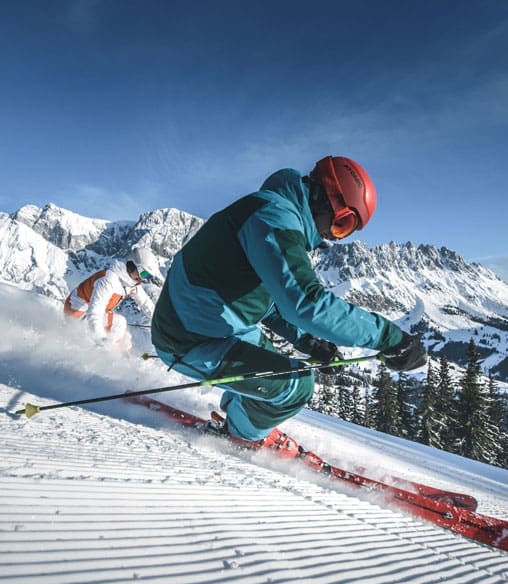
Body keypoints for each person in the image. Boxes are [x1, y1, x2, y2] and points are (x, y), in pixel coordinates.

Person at [150, 156, 427, 457]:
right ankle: (238, 438)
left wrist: (308, 342)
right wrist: (389, 337)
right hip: (187, 338)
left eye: (345, 232)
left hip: (214, 322)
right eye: (342, 224)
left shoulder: (271, 212)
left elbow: (266, 304)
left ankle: (243, 417)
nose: (332, 236)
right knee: (297, 385)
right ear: (325, 196)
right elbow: (306, 303)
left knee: (273, 364)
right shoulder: (272, 218)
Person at [65, 247, 160, 351]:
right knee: (119, 324)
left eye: (148, 277)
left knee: (121, 330)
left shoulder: (131, 283)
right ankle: (111, 357)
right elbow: (95, 312)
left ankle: (123, 358)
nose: (143, 279)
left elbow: (146, 304)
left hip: (88, 311)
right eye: (143, 273)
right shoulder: (108, 281)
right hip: (76, 312)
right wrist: (100, 340)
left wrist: (161, 322)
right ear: (132, 265)